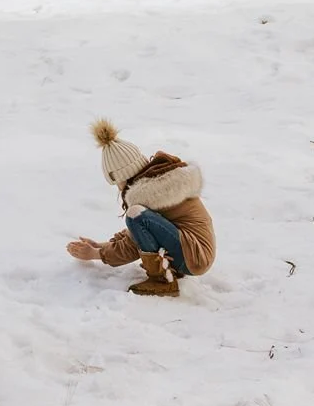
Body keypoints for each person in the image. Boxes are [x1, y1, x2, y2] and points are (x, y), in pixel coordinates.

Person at [66, 119, 216, 296]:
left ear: (122, 177)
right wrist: (101, 246)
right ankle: (168, 271)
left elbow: (132, 245)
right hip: (196, 253)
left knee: (135, 215)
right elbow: (139, 234)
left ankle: (163, 280)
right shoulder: (158, 184)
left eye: (116, 183)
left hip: (194, 257)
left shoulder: (149, 195)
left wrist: (95, 254)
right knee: (137, 216)